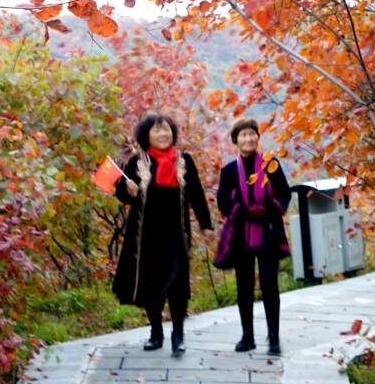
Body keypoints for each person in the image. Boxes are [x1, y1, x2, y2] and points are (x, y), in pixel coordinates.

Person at [111, 113, 213, 355]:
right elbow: (123, 195)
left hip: (176, 235)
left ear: (173, 133)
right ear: (146, 135)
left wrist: (206, 224)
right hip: (145, 236)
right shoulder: (138, 162)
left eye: (166, 129)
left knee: (178, 284)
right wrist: (129, 190)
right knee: (151, 284)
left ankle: (178, 333)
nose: (163, 134)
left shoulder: (184, 161)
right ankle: (156, 332)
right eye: (157, 130)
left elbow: (196, 194)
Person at [217, 118, 293, 355]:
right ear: (236, 141)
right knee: (244, 287)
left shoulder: (271, 166)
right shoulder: (229, 171)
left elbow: (284, 194)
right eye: (243, 135)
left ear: (258, 138)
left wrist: (267, 209)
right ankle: (247, 336)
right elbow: (223, 201)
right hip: (241, 234)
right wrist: (242, 211)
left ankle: (274, 338)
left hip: (268, 232)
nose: (248, 139)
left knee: (270, 285)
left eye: (252, 135)